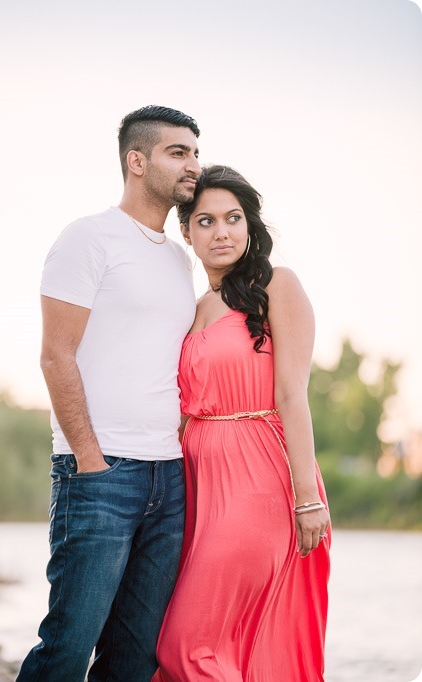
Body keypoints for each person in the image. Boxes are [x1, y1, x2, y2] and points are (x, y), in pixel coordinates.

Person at [16, 105, 201, 682]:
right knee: (68, 647)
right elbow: (55, 354)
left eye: (196, 152)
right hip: (101, 473)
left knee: (134, 658)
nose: (194, 164)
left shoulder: (177, 257)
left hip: (167, 478)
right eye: (179, 152)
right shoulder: (88, 237)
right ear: (136, 161)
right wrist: (91, 460)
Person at [152, 165, 331, 682]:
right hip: (200, 486)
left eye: (233, 218)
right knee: (204, 643)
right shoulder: (193, 308)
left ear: (250, 224)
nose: (221, 232)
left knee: (184, 646)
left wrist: (307, 498)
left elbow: (293, 396)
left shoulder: (278, 285)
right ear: (186, 233)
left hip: (260, 482)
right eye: (205, 221)